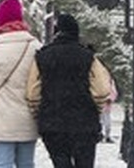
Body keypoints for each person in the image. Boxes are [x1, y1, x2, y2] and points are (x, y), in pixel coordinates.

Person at [26, 13, 112, 168]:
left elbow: (32, 93)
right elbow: (102, 89)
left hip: (53, 121)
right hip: (84, 121)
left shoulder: (42, 56)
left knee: (61, 163)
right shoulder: (88, 56)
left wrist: (38, 111)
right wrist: (95, 108)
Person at [0, 0, 42, 168]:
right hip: (29, 117)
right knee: (26, 163)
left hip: (1, 119)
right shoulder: (35, 46)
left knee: (2, 164)